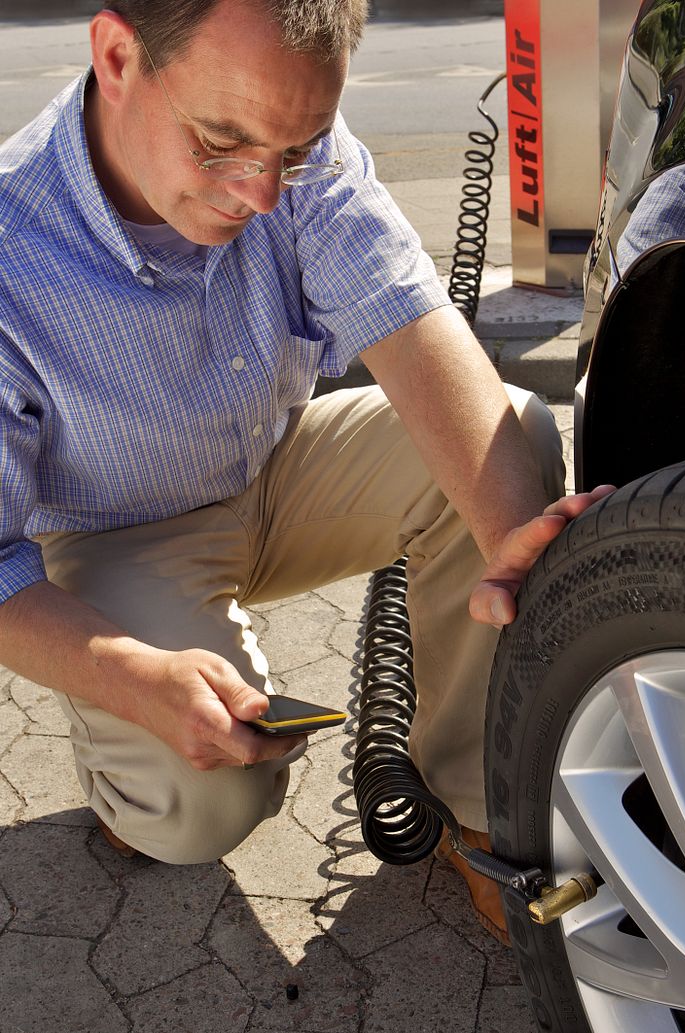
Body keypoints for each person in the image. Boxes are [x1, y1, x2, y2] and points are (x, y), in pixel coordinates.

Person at [0, 0, 607, 945]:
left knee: (511, 441)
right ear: (118, 54)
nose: (262, 195)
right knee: (200, 806)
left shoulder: (289, 141)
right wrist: (134, 677)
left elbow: (409, 323)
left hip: (274, 461)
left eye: (295, 151)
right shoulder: (10, 251)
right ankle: (121, 767)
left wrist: (508, 548)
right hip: (116, 526)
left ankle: (473, 799)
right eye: (221, 142)